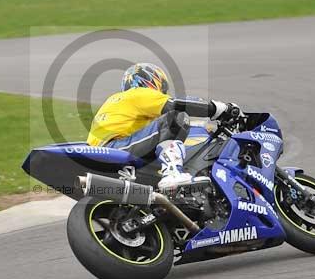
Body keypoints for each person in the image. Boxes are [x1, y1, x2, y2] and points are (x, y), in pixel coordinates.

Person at [86, 63, 237, 190]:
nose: (163, 93)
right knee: (175, 118)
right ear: (151, 80)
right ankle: (172, 173)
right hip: (116, 147)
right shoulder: (138, 93)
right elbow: (175, 104)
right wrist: (217, 108)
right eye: (163, 89)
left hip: (105, 149)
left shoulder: (118, 101)